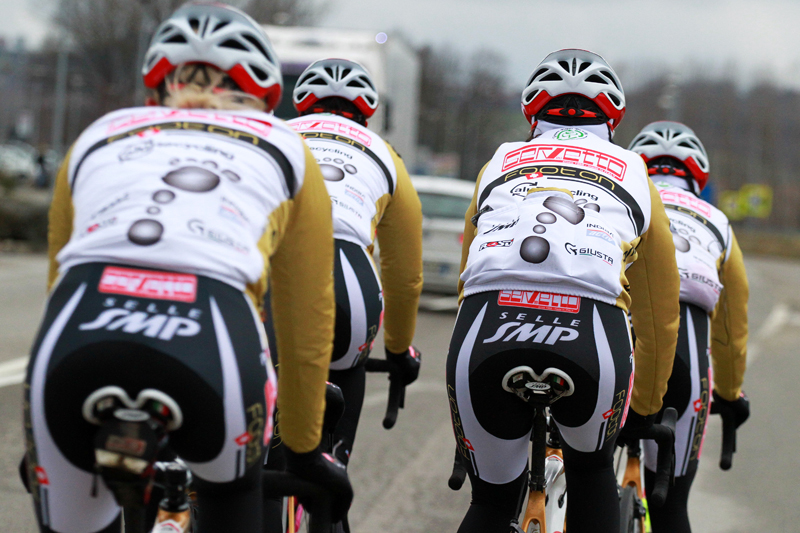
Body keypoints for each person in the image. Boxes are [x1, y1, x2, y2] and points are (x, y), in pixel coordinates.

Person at [22, 3, 351, 533]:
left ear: (156, 88)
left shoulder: (99, 133)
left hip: (77, 345)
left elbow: (59, 279)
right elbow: (307, 318)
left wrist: (43, 429)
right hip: (212, 346)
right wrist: (306, 450)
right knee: (233, 496)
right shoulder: (286, 146)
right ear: (264, 96)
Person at [446, 49, 681, 532]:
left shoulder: (499, 161)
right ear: (612, 118)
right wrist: (645, 408)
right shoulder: (634, 169)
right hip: (590, 333)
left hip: (487, 327)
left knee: (490, 502)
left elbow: (469, 272)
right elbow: (659, 310)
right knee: (592, 472)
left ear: (532, 113)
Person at [268, 57, 423, 531]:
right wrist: (398, 350)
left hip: (273, 270)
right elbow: (404, 275)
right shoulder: (384, 154)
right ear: (367, 113)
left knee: (254, 462)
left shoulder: (272, 135)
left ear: (300, 105)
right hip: (349, 286)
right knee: (326, 475)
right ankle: (328, 487)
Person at [629, 121, 750, 533]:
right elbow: (731, 329)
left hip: (609, 339)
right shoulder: (717, 221)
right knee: (670, 508)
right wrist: (729, 395)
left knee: (587, 474)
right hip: (684, 354)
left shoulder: (620, 193)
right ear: (697, 176)